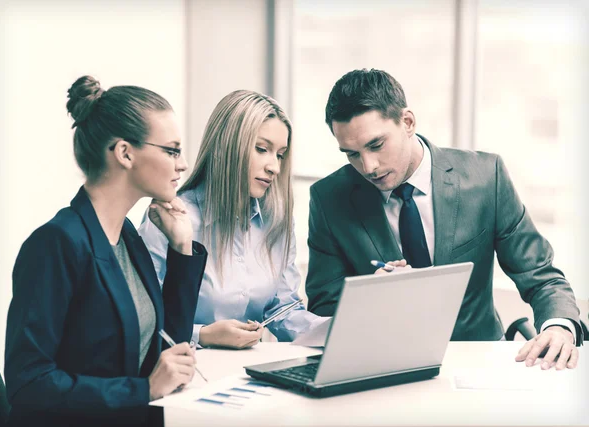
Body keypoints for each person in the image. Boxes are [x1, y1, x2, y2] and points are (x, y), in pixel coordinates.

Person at [305, 68, 583, 370]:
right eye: (352, 154)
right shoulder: (329, 198)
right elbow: (323, 308)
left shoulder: (485, 176)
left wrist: (559, 327)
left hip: (477, 363)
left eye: (376, 145)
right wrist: (373, 301)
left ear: (407, 122)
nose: (368, 166)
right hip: (383, 367)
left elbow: (540, 274)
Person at [5, 76, 207, 427]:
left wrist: (182, 249)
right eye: (172, 150)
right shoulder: (57, 243)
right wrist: (142, 390)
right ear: (125, 153)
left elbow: (166, 347)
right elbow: (29, 385)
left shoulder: (127, 235)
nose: (183, 164)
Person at [139, 89, 326, 349]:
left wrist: (333, 329)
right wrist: (202, 335)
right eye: (262, 149)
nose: (275, 166)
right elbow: (144, 320)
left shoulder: (277, 223)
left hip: (249, 375)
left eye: (280, 154)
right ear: (228, 146)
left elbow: (282, 309)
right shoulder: (172, 220)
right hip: (186, 369)